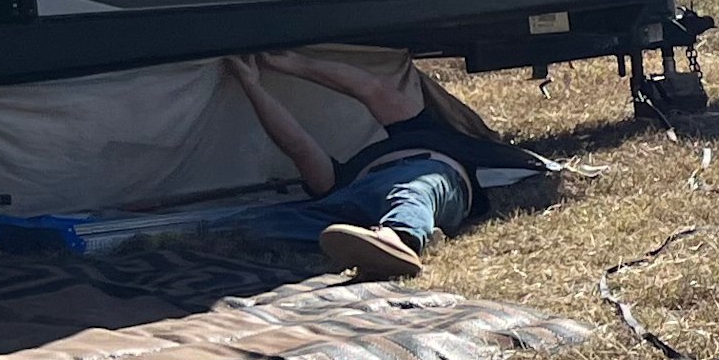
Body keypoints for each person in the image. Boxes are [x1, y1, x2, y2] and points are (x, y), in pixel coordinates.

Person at [222, 50, 545, 281]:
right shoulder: (341, 177)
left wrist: (293, 63)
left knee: (412, 191)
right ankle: (389, 235)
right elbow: (298, 146)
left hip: (426, 172)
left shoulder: (423, 136)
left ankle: (398, 241)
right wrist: (251, 83)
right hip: (351, 201)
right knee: (262, 223)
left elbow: (370, 88)